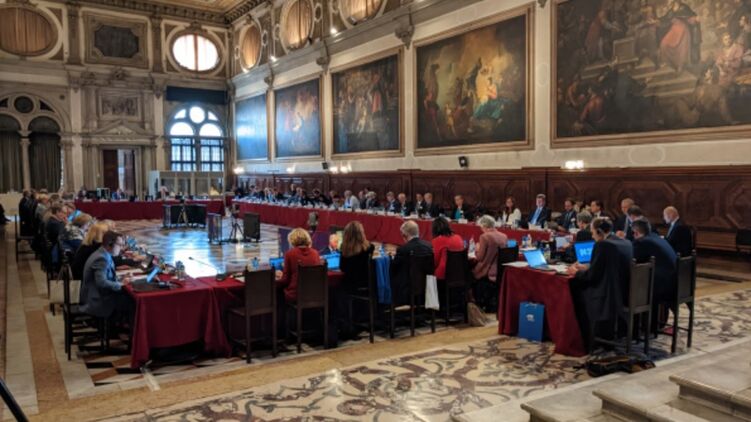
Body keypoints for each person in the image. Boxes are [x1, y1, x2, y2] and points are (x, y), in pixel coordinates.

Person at [567, 218, 633, 349]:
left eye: (592, 232)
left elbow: (592, 276)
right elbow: (606, 267)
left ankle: (586, 340)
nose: (592, 236)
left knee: (575, 291)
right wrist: (588, 267)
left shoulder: (603, 245)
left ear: (599, 231)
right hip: (626, 291)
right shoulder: (625, 242)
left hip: (609, 295)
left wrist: (576, 272)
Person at [631, 219, 677, 329]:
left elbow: (632, 259)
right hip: (675, 283)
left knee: (631, 288)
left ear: (636, 233)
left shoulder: (642, 242)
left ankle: (635, 327)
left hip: (664, 288)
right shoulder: (656, 237)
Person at [78, 231, 134, 319]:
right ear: (110, 244)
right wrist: (121, 284)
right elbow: (101, 283)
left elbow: (105, 276)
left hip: (95, 295)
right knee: (132, 301)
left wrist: (121, 279)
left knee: (126, 296)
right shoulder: (101, 258)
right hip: (97, 301)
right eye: (120, 245)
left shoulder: (102, 253)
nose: (121, 248)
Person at [390, 221, 433, 305]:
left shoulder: (403, 249)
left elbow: (393, 268)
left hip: (409, 288)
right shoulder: (429, 246)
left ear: (404, 235)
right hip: (427, 285)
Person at [471, 215, 508, 310]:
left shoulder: (484, 237)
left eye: (481, 227)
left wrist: (477, 249)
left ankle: (475, 302)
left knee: (468, 270)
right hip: (499, 271)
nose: (481, 229)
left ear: (484, 226)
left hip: (487, 270)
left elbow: (479, 258)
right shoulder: (504, 236)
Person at [276, 228, 321, 303]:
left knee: (277, 292)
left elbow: (285, 280)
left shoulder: (290, 254)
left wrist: (279, 277)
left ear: (292, 240)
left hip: (296, 295)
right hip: (314, 294)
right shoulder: (315, 253)